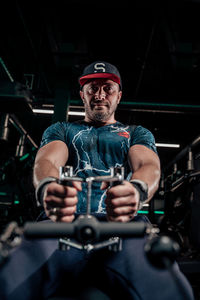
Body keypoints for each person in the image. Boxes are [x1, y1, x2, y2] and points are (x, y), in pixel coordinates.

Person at [0, 61, 194, 300]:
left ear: (119, 95)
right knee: (7, 279)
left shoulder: (136, 133)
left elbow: (148, 165)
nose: (100, 95)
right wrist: (47, 186)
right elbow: (47, 161)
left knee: (170, 289)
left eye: (108, 88)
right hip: (60, 226)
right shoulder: (61, 129)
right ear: (82, 94)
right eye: (92, 88)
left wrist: (137, 189)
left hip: (122, 229)